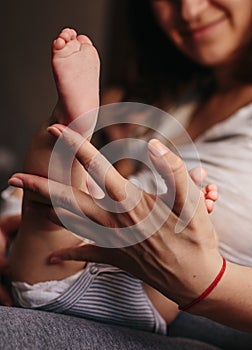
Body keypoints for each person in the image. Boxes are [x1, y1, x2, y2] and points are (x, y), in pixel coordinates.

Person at [2, 0, 252, 347]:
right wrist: (10, 216)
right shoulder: (178, 99)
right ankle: (69, 123)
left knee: (48, 214)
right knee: (52, 200)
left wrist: (211, 280)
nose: (190, 11)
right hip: (97, 260)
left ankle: (69, 124)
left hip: (164, 290)